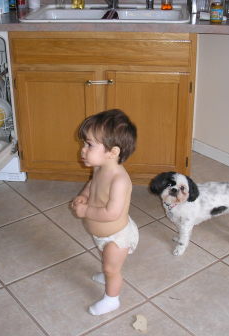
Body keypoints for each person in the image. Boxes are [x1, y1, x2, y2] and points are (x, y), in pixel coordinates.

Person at [71, 109, 138, 316]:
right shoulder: (100, 167)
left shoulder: (120, 180)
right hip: (101, 235)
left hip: (117, 237)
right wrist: (84, 194)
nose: (83, 149)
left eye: (89, 145)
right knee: (105, 259)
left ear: (113, 152)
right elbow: (93, 184)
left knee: (112, 269)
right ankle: (107, 272)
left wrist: (86, 210)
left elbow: (111, 213)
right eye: (85, 143)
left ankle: (112, 299)